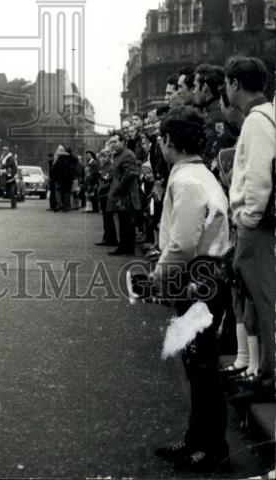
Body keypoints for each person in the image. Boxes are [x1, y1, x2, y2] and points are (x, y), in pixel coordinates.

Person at [151, 106, 231, 473]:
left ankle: (210, 448)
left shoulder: (184, 180)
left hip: (196, 275)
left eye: (161, 139)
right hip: (211, 273)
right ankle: (199, 440)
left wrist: (157, 277)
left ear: (168, 141)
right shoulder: (202, 174)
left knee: (200, 365)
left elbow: (183, 243)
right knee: (199, 363)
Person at [226, 56, 276, 404]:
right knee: (261, 301)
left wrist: (248, 217)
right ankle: (264, 373)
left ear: (234, 84)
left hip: (256, 226)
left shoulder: (256, 121)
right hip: (260, 223)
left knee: (264, 300)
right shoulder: (265, 115)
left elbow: (258, 175)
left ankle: (270, 377)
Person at [105, 134, 140, 255]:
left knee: (127, 221)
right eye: (111, 142)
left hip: (126, 194)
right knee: (122, 220)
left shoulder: (127, 155)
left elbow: (130, 174)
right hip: (121, 194)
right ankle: (123, 247)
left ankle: (128, 248)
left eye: (115, 141)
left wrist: (118, 189)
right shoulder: (118, 155)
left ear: (123, 142)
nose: (113, 144)